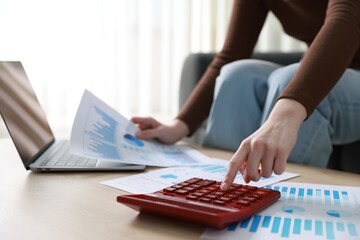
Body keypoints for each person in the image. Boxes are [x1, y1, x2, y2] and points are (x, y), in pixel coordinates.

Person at [131, 0, 360, 190]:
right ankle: (220, 188)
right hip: (332, 72)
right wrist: (178, 126)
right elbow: (231, 55)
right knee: (237, 75)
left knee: (289, 80)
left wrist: (287, 114)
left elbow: (346, 20)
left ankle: (284, 205)